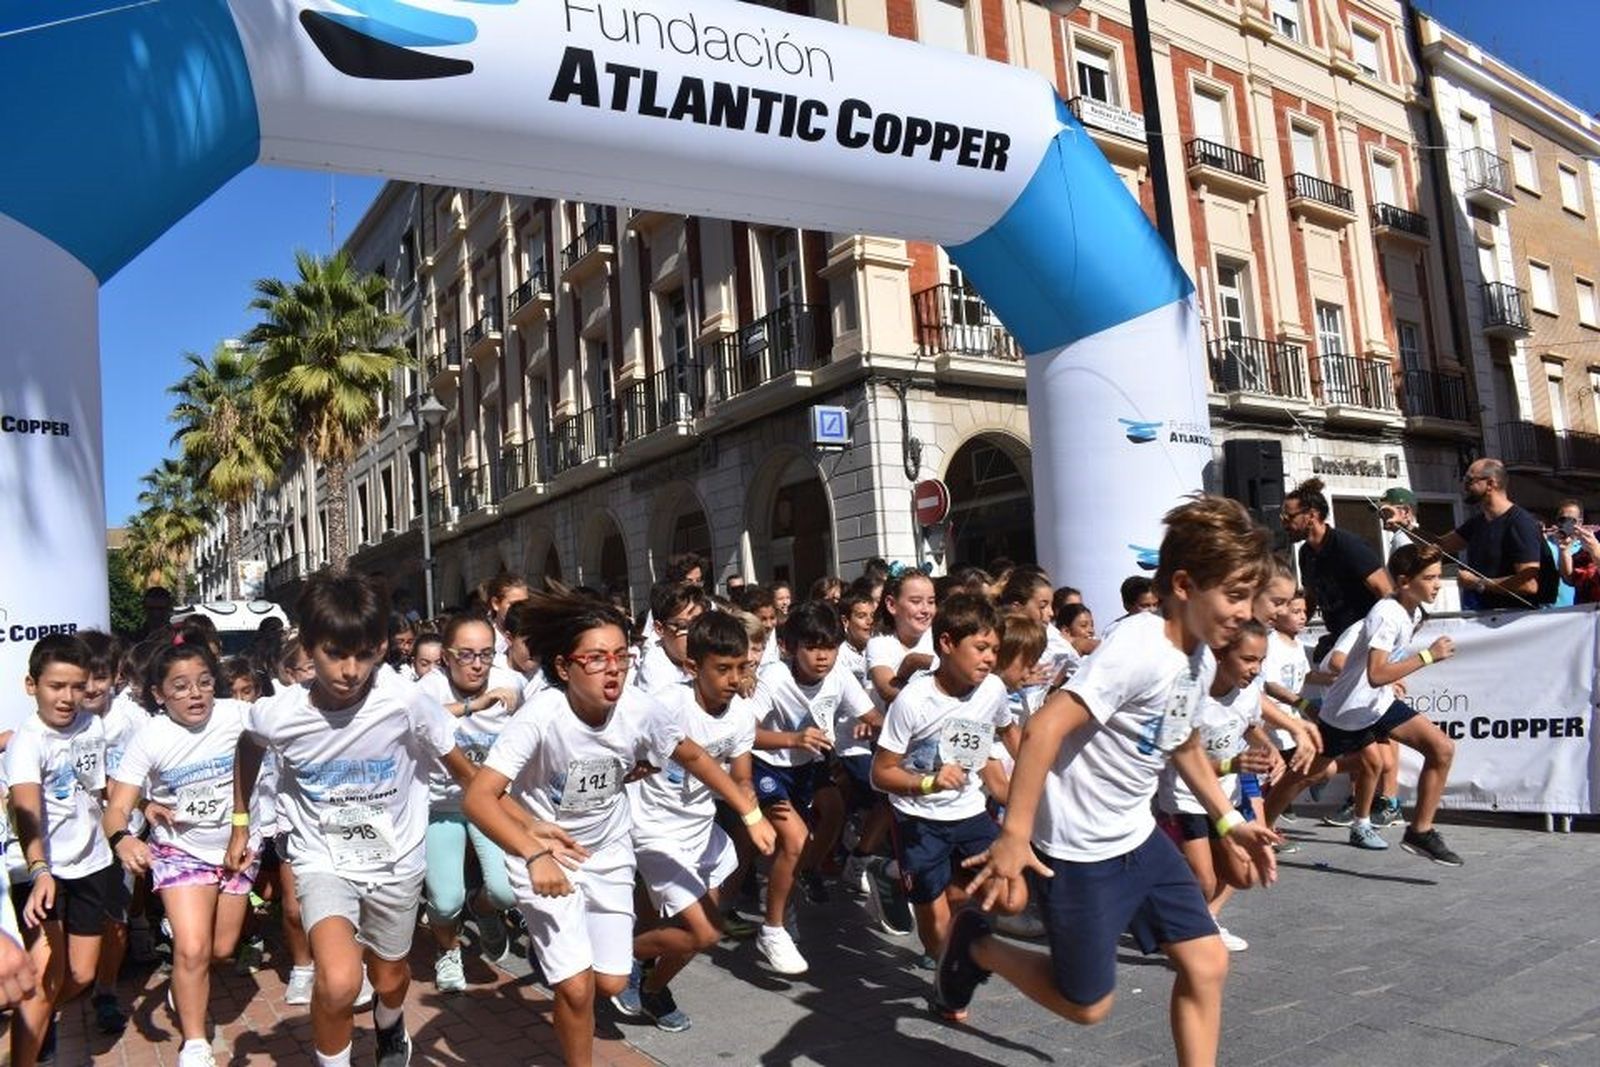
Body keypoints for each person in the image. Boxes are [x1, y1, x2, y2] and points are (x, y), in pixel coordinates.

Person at [937, 495, 1280, 1064]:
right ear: (1186, 584)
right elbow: (1046, 727)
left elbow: (1180, 738)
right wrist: (1015, 834)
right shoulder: (1141, 647)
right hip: (1079, 852)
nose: (1246, 611)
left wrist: (1227, 818)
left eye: (1251, 597)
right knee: (1087, 1007)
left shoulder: (1196, 653)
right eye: (1235, 595)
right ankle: (976, 946)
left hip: (1138, 838)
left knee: (1207, 961)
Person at [225, 575, 534, 1067]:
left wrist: (528, 837)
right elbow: (248, 744)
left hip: (397, 861)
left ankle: (390, 1024)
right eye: (333, 654)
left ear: (384, 647)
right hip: (322, 857)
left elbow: (470, 775)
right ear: (307, 647)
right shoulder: (279, 714)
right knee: (341, 981)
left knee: (390, 977)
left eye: (365, 654)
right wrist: (241, 822)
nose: (350, 671)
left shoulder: (406, 702)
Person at [462, 587, 773, 1067]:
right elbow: (480, 797)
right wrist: (533, 850)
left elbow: (691, 754)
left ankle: (587, 975)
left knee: (607, 982)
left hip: (608, 853)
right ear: (565, 667)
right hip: (547, 858)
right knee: (577, 988)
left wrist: (748, 811)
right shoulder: (541, 717)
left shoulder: (639, 709)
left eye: (621, 657)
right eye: (596, 658)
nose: (613, 668)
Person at [103, 639, 261, 1067]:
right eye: (181, 686)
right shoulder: (150, 737)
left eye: (205, 683)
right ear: (159, 694)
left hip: (239, 846)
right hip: (180, 848)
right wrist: (124, 839)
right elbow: (116, 807)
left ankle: (183, 984)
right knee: (192, 949)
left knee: (221, 950)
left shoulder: (240, 716)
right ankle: (195, 1043)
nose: (196, 694)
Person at [1264, 544, 1463, 864]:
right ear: (1404, 580)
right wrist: (1427, 656)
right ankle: (1261, 828)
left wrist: (1397, 674)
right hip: (1348, 711)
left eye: (1439, 576)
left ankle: (1419, 832)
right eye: (1430, 577)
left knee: (1441, 749)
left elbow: (1380, 672)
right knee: (1300, 777)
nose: (1438, 584)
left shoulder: (1409, 610)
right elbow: (1376, 674)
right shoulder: (1388, 615)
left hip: (1377, 705)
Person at [614, 611, 761, 1031]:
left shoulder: (740, 715)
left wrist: (748, 798)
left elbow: (742, 774)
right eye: (723, 669)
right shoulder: (666, 704)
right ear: (693, 667)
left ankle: (651, 983)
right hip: (654, 831)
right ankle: (620, 959)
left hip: (701, 830)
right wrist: (629, 768)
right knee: (703, 933)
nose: (734, 679)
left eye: (742, 667)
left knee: (679, 922)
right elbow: (624, 744)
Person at [873, 593, 1017, 1008]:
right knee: (934, 926)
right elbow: (881, 774)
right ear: (948, 643)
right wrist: (929, 784)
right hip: (919, 820)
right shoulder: (913, 701)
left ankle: (955, 947)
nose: (991, 659)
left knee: (1009, 896)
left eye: (995, 649)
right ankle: (946, 982)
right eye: (982, 648)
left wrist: (1026, 783)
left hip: (971, 811)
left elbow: (1004, 735)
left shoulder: (992, 689)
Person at [6, 634, 124, 1067]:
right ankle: (26, 1056)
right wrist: (39, 869)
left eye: (77, 686)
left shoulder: (92, 725)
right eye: (57, 686)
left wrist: (139, 807)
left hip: (92, 863)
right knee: (42, 982)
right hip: (42, 874)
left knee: (80, 975)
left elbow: (98, 785)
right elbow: (26, 810)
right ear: (31, 685)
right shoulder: (26, 741)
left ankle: (36, 1028)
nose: (69, 697)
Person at [747, 603, 866, 972]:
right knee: (795, 840)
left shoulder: (841, 675)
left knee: (833, 811)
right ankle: (773, 928)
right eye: (812, 647)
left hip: (809, 765)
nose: (822, 656)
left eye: (829, 647)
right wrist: (792, 739)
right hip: (768, 766)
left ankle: (802, 874)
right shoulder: (773, 678)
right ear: (789, 647)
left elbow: (871, 715)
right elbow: (745, 733)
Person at [1156, 621, 1280, 954]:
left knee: (1244, 876)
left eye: (1260, 661)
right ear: (1219, 655)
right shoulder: (1188, 691)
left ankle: (1200, 914)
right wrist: (1232, 764)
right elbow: (1180, 757)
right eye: (1248, 659)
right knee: (1204, 879)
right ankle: (1192, 935)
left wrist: (1269, 748)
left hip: (1226, 798)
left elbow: (1250, 726)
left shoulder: (1250, 691)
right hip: (1187, 797)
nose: (1255, 669)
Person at [415, 614, 525, 990]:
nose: (477, 664)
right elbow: (415, 721)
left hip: (490, 803)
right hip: (441, 807)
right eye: (466, 655)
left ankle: (483, 910)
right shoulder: (428, 688)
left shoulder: (512, 683)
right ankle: (447, 951)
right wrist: (474, 706)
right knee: (445, 903)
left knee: (506, 891)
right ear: (446, 656)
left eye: (486, 654)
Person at [1281, 477, 1393, 657]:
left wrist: (1385, 648)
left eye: (1289, 516)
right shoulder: (1305, 553)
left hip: (1366, 640)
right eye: (1282, 517)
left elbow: (1386, 592)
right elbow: (1311, 599)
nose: (1284, 522)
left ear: (1311, 515)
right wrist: (1286, 631)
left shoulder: (1347, 546)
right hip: (1340, 639)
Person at [1433, 459, 1542, 611]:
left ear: (1491, 484)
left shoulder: (1520, 523)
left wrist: (1479, 583)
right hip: (1481, 618)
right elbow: (1438, 546)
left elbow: (1529, 584)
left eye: (1470, 480)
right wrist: (1406, 525)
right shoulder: (1477, 523)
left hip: (1511, 621)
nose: (1465, 486)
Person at [633, 581, 706, 696]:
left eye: (699, 624)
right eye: (683, 626)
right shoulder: (656, 678)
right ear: (660, 629)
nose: (694, 634)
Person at [1551, 500, 1594, 606]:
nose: (1566, 524)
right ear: (1557, 520)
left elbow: (1571, 579)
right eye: (1563, 519)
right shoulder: (1547, 544)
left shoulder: (1585, 549)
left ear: (1580, 522)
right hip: (1545, 609)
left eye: (1572, 520)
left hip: (1573, 611)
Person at [1378, 487, 1420, 561]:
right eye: (1379, 512)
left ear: (1405, 511)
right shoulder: (1409, 537)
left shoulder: (1404, 539)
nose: (1381, 516)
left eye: (1385, 510)